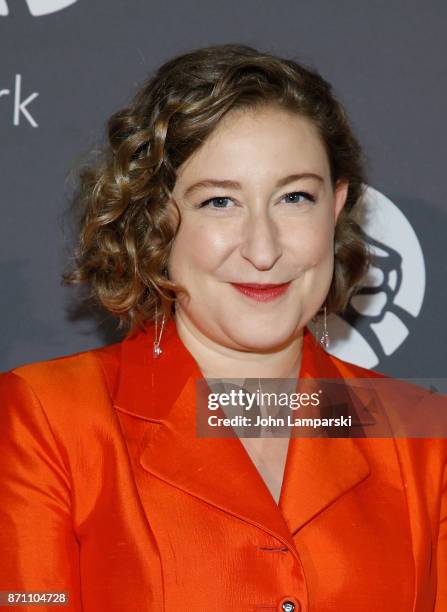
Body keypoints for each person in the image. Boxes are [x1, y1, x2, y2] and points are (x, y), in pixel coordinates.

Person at [0, 43, 445, 612]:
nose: (263, 249)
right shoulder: (50, 421)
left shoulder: (423, 437)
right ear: (155, 217)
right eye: (218, 203)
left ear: (334, 210)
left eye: (294, 197)